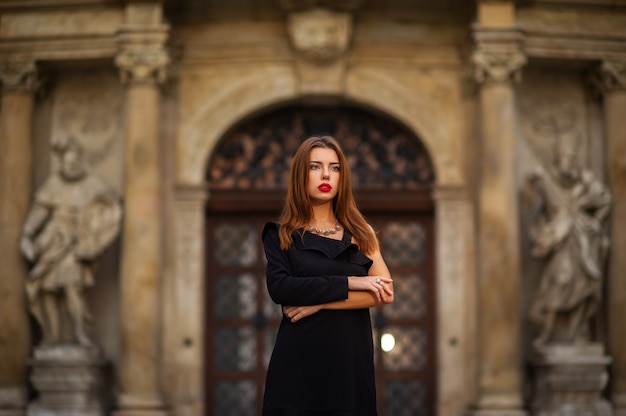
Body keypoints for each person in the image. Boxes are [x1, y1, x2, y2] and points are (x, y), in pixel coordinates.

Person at [262, 135, 394, 415]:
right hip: (298, 362)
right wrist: (352, 282)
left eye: (335, 168)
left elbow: (384, 292)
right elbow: (281, 288)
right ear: (300, 174)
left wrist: (320, 302)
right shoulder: (281, 234)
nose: (326, 175)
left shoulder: (361, 233)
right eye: (315, 167)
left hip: (350, 361)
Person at [20, 135, 121, 346]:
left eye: (75, 161)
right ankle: (52, 336)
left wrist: (93, 241)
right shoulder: (52, 185)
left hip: (77, 243)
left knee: (72, 287)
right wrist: (27, 237)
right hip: (51, 241)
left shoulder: (93, 185)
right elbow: (38, 214)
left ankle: (80, 333)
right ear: (61, 162)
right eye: (68, 161)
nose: (72, 165)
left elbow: (109, 210)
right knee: (46, 288)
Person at [523, 147, 611, 349]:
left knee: (586, 283)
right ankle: (548, 331)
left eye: (572, 158)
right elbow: (532, 206)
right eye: (565, 158)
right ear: (557, 160)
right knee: (560, 280)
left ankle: (576, 331)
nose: (570, 162)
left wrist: (596, 221)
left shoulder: (585, 179)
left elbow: (605, 199)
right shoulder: (547, 179)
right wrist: (530, 182)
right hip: (561, 238)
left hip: (583, 240)